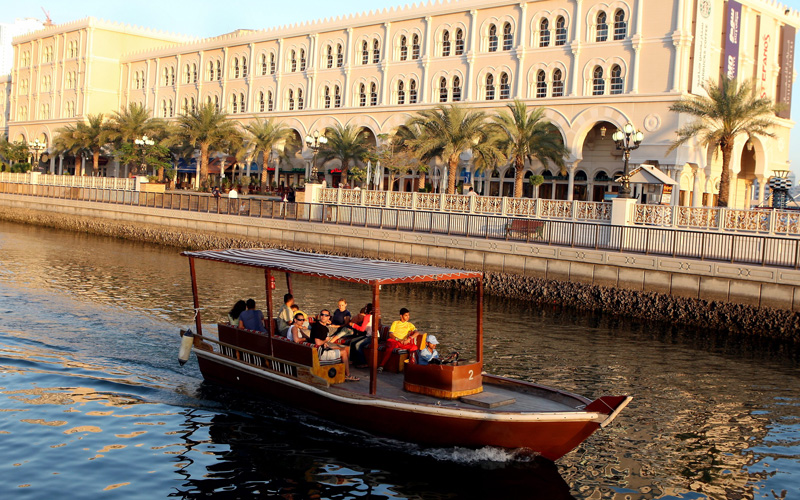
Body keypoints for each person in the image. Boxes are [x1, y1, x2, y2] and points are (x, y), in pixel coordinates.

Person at [310, 309, 358, 381]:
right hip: (320, 354)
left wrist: (325, 343)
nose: (323, 316)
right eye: (322, 315)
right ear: (320, 316)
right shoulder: (319, 327)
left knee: (342, 349)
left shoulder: (319, 326)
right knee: (344, 352)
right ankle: (347, 375)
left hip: (317, 350)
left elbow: (319, 341)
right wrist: (326, 340)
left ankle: (342, 370)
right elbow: (318, 343)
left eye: (326, 315)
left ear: (329, 317)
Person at [378, 307, 419, 372]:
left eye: (408, 315)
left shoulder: (409, 324)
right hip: (394, 341)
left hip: (403, 343)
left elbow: (417, 332)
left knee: (414, 347)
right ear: (401, 315)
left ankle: (411, 366)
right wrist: (399, 339)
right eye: (406, 315)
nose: (408, 317)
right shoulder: (395, 323)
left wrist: (408, 339)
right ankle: (381, 366)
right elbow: (390, 334)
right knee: (390, 348)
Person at [349, 303, 374, 368]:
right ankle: (352, 360)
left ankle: (364, 362)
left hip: (371, 336)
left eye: (365, 308)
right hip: (370, 335)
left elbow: (362, 329)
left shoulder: (367, 316)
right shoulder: (375, 316)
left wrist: (353, 325)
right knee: (353, 341)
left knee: (357, 345)